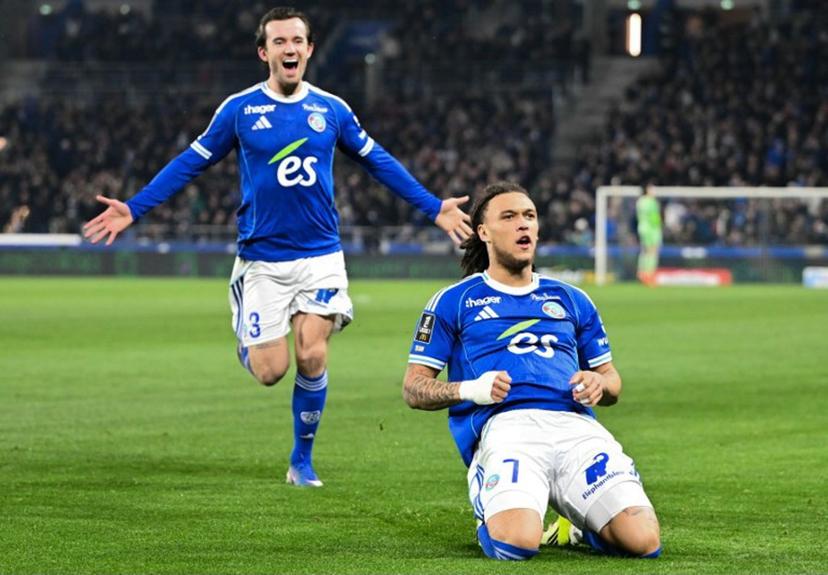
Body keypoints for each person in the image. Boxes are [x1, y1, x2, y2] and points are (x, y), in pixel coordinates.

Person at [83, 6, 471, 488]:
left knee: (312, 354)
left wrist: (434, 207)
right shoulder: (239, 110)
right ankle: (249, 339)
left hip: (320, 257)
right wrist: (134, 208)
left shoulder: (332, 109)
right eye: (279, 42)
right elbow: (190, 162)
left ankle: (301, 461)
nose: (290, 49)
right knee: (271, 371)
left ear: (309, 49)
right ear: (263, 52)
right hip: (263, 261)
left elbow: (379, 161)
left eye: (297, 41)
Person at [402, 182, 661, 560]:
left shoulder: (573, 298)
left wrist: (599, 383)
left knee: (643, 541)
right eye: (509, 217)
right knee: (516, 543)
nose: (523, 224)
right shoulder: (454, 301)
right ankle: (492, 506)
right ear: (483, 232)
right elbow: (414, 387)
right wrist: (470, 390)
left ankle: (578, 525)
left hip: (575, 428)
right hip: (507, 428)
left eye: (529, 216)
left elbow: (613, 382)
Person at [636, 183, 662, 285]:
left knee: (645, 251)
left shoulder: (640, 201)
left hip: (642, 228)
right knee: (652, 251)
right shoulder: (652, 201)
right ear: (647, 190)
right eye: (652, 189)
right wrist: (659, 224)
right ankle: (649, 275)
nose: (654, 191)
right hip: (651, 229)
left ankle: (641, 272)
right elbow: (654, 217)